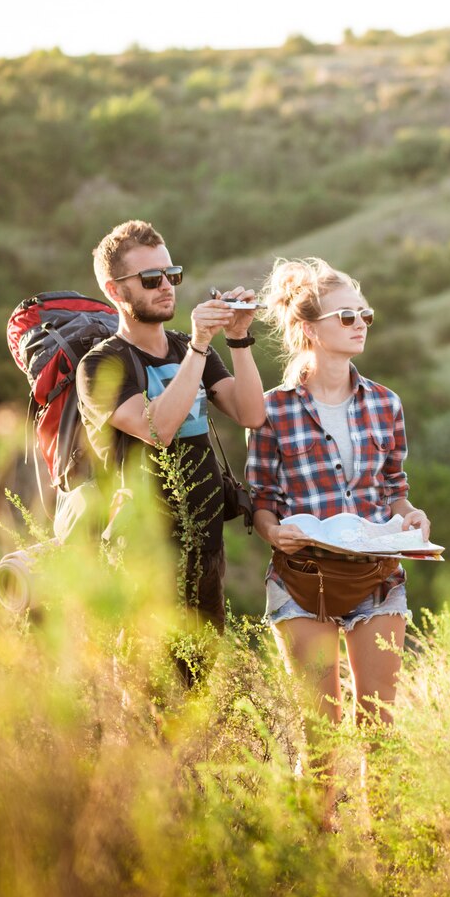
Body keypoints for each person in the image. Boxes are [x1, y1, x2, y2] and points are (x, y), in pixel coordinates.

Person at [245, 257, 429, 743]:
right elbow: (260, 497)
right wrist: (272, 532)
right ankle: (318, 822)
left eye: (364, 314)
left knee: (378, 726)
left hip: (377, 578)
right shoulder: (271, 408)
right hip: (303, 581)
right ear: (308, 328)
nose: (360, 325)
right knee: (318, 733)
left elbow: (394, 491)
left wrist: (411, 518)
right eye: (346, 316)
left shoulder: (386, 403)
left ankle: (380, 823)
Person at [77, 220, 266, 631]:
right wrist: (200, 345)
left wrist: (237, 338)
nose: (165, 285)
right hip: (142, 555)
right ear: (114, 290)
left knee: (200, 682)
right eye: (149, 278)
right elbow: (156, 429)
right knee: (149, 686)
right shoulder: (100, 365)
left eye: (171, 275)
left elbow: (251, 414)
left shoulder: (183, 346)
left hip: (206, 545)